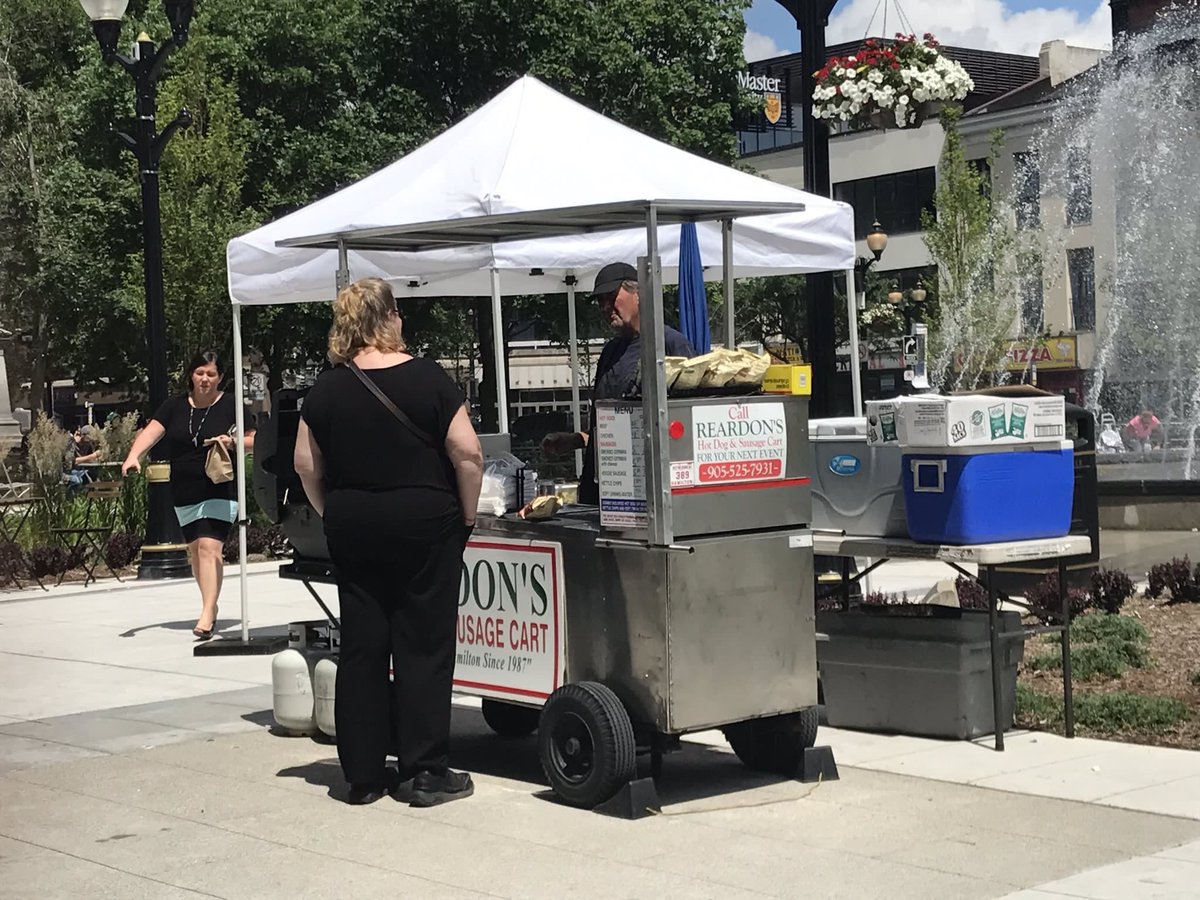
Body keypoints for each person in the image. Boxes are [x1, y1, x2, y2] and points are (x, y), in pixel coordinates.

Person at [294, 277, 484, 808]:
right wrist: (466, 517)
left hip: (354, 524)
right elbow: (468, 455)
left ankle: (363, 774)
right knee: (423, 644)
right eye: (397, 312)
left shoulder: (326, 389)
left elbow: (305, 465)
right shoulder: (429, 379)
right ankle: (426, 771)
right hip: (424, 523)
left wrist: (334, 509)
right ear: (386, 318)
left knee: (363, 645)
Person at [538, 262, 694, 505]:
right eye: (600, 301)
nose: (605, 307)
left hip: (646, 495)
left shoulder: (670, 346)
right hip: (601, 493)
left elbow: (683, 428)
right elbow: (612, 425)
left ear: (639, 293)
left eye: (611, 297)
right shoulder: (611, 351)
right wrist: (576, 440)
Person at [121, 351, 252, 639]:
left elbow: (254, 438)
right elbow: (151, 432)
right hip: (184, 487)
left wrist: (232, 442)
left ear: (220, 378)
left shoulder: (231, 405)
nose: (205, 379)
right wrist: (134, 456)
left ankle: (206, 613)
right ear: (191, 375)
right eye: (200, 373)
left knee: (209, 547)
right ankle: (212, 605)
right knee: (196, 552)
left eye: (211, 374)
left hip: (220, 484)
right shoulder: (174, 406)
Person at [65, 425, 102, 496]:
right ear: (83, 436)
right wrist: (93, 456)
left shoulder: (88, 444)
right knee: (78, 480)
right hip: (70, 472)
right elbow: (73, 461)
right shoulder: (71, 443)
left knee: (96, 475)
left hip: (82, 471)